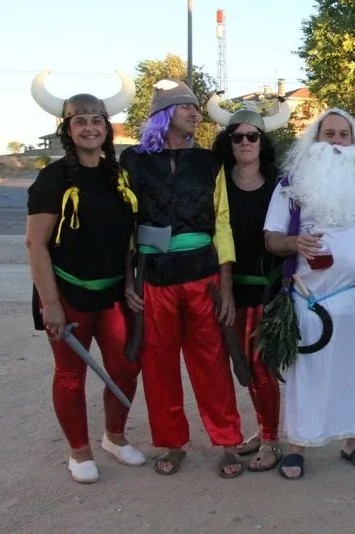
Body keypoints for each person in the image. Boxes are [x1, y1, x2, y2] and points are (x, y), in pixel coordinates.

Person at [121, 79, 245, 478]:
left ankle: (228, 440)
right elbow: (126, 226)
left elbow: (222, 223)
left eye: (195, 107)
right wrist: (128, 281)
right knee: (158, 365)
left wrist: (225, 285)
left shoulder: (209, 162)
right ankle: (172, 443)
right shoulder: (134, 162)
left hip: (203, 277)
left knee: (212, 362)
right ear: (164, 114)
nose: (195, 113)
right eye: (186, 107)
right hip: (154, 280)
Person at [262, 108, 355, 480]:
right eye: (329, 135)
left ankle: (354, 442)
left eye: (343, 135)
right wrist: (293, 241)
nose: (336, 142)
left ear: (354, 143)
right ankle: (299, 446)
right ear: (315, 140)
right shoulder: (291, 184)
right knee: (308, 370)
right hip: (309, 297)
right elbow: (271, 239)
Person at [26, 69, 144, 484]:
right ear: (67, 128)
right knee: (71, 376)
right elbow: (35, 244)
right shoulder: (52, 179)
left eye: (97, 120)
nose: (90, 127)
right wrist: (51, 304)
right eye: (81, 120)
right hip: (68, 295)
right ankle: (79, 451)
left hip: (113, 294)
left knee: (126, 366)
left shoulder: (119, 176)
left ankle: (114, 436)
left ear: (106, 128)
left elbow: (128, 237)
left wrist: (129, 283)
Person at [209, 95, 291, 472]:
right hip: (227, 289)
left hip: (267, 289)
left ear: (263, 141)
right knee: (240, 366)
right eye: (237, 137)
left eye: (252, 136)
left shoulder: (280, 185)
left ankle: (272, 439)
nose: (244, 143)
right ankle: (263, 429)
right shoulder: (216, 183)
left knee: (261, 366)